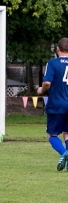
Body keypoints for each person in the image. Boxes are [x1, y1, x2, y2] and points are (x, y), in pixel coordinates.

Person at [37, 38, 68, 171]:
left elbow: (47, 83)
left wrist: (41, 90)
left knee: (52, 135)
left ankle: (64, 154)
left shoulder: (53, 63)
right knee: (67, 133)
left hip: (57, 104)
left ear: (57, 49)